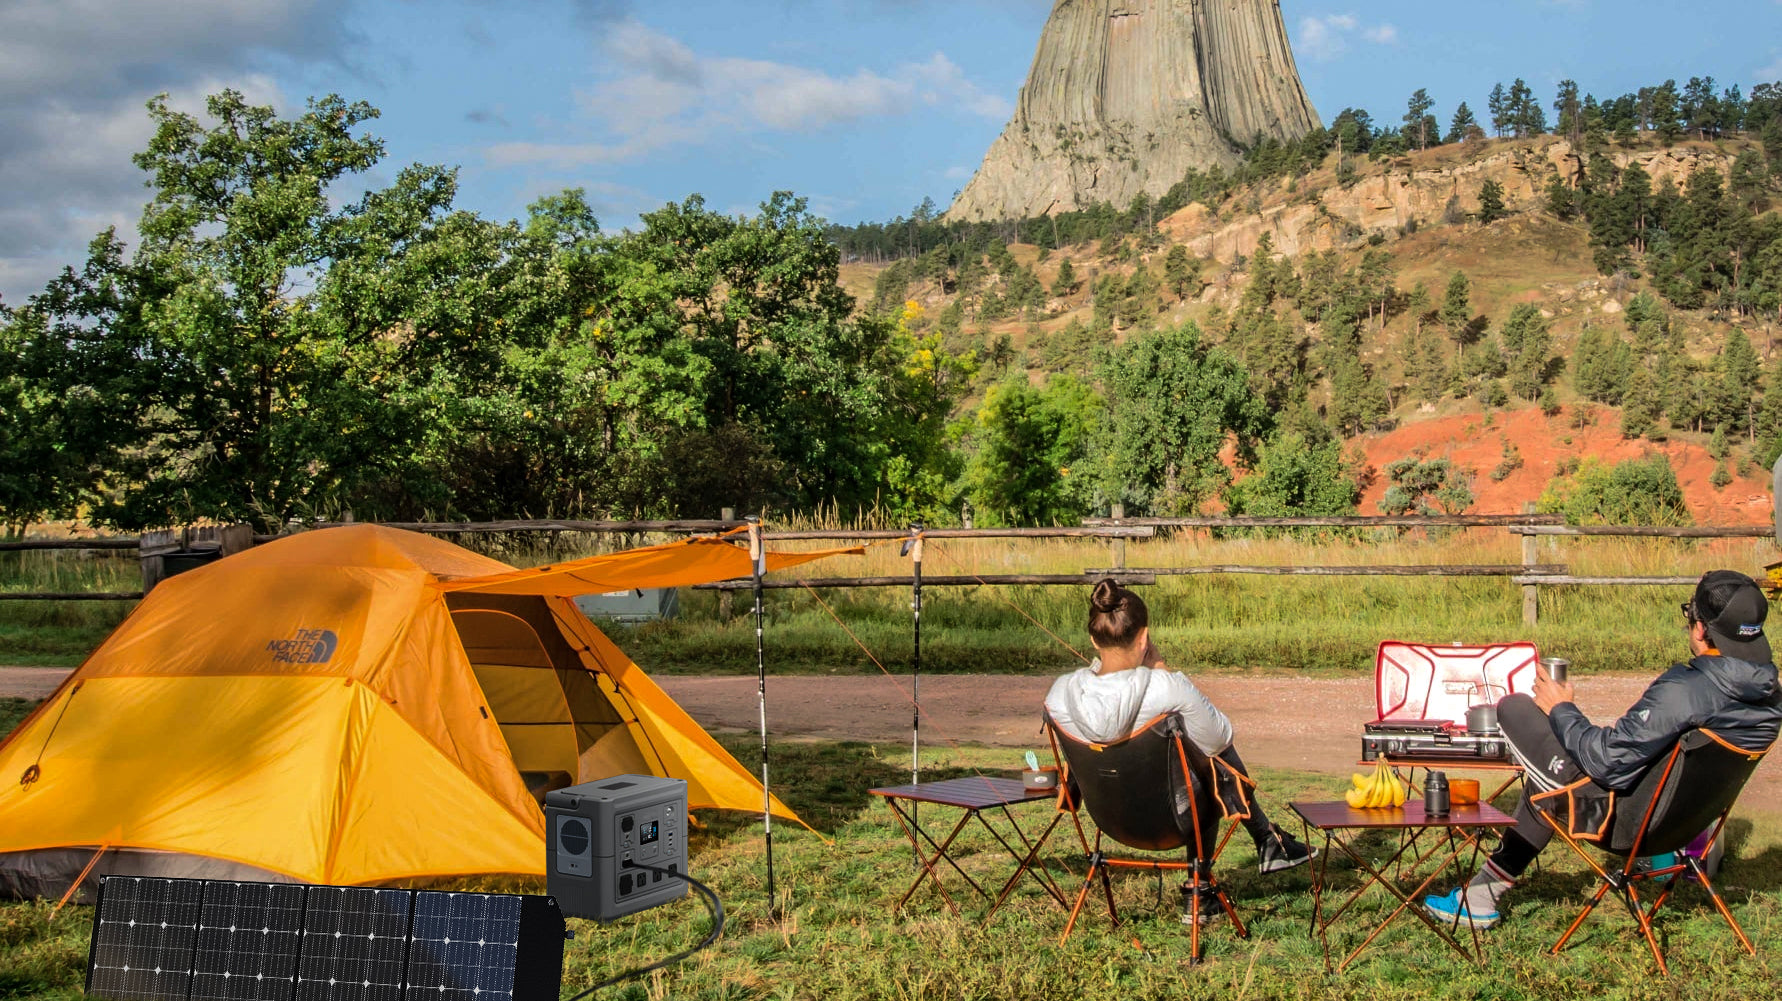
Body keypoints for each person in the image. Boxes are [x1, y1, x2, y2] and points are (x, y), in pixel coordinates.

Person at [1425, 569, 1782, 929]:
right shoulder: (1770, 701)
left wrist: (1560, 708)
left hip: (1623, 824)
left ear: (1701, 628)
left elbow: (1606, 762)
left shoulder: (1688, 688)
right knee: (1544, 783)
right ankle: (1479, 897)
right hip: (1685, 831)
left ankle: (1482, 893)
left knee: (1514, 708)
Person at [1045, 580, 1316, 923]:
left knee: (1196, 752)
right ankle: (1212, 879)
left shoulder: (1059, 694)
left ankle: (1265, 842)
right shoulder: (1166, 688)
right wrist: (1160, 668)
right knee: (1212, 761)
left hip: (1111, 820)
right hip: (1176, 822)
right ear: (1144, 639)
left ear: (1093, 640)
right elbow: (1220, 738)